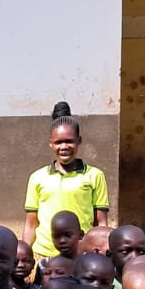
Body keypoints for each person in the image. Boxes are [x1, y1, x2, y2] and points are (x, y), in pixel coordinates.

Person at [23, 103, 110, 262]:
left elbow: (101, 222)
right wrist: (24, 255)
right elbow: (30, 224)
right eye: (58, 142)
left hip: (81, 254)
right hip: (45, 255)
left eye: (69, 141)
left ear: (79, 141)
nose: (64, 147)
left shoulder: (94, 175)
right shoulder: (37, 177)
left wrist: (102, 254)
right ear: (51, 143)